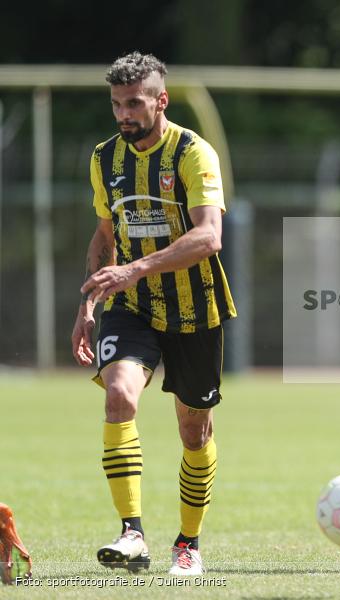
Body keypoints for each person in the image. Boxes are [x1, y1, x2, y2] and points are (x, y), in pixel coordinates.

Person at [71, 51, 237, 577]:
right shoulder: (104, 158)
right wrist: (88, 304)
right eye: (117, 104)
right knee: (119, 395)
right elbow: (104, 236)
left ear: (160, 101)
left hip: (195, 306)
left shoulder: (193, 152)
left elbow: (209, 237)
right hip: (131, 305)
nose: (124, 114)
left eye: (135, 103)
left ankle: (187, 543)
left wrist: (132, 269)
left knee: (195, 433)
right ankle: (132, 534)